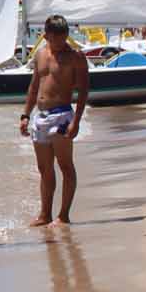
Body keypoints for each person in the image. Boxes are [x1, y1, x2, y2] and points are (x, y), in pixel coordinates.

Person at [21, 14, 90, 227]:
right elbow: (34, 87)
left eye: (64, 37)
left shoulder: (75, 57)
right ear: (47, 35)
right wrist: (25, 115)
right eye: (56, 38)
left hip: (62, 115)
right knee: (44, 168)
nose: (61, 42)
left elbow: (84, 90)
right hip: (40, 117)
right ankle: (45, 214)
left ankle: (63, 215)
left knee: (65, 166)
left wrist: (76, 121)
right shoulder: (41, 54)